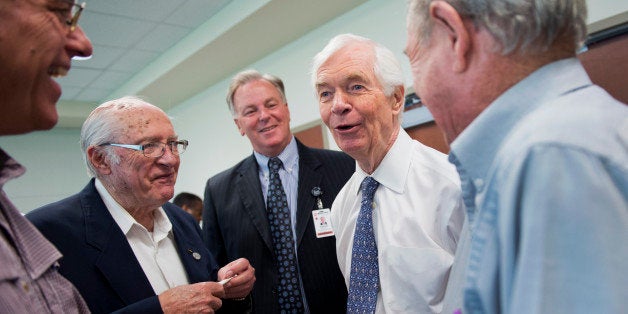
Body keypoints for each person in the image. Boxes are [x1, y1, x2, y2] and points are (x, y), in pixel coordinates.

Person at [405, 0, 628, 313]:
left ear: (454, 35)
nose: (420, 88)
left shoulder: (551, 159)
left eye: (416, 57)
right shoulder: (568, 140)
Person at [27, 96, 255, 314]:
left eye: (173, 144)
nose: (171, 159)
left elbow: (209, 301)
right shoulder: (45, 234)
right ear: (101, 159)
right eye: (149, 146)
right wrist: (159, 310)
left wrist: (231, 291)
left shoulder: (183, 221)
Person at [311, 33, 465, 313]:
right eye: (325, 93)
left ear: (396, 98)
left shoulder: (452, 188)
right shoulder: (342, 206)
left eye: (356, 87)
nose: (338, 105)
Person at [202, 69, 355, 313]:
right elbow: (212, 271)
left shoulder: (344, 167)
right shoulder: (218, 191)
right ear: (239, 124)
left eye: (271, 104)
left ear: (286, 109)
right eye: (250, 111)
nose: (264, 116)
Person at [0, 1, 93, 312]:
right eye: (62, 15)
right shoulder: (52, 225)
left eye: (173, 144)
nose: (83, 44)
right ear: (101, 159)